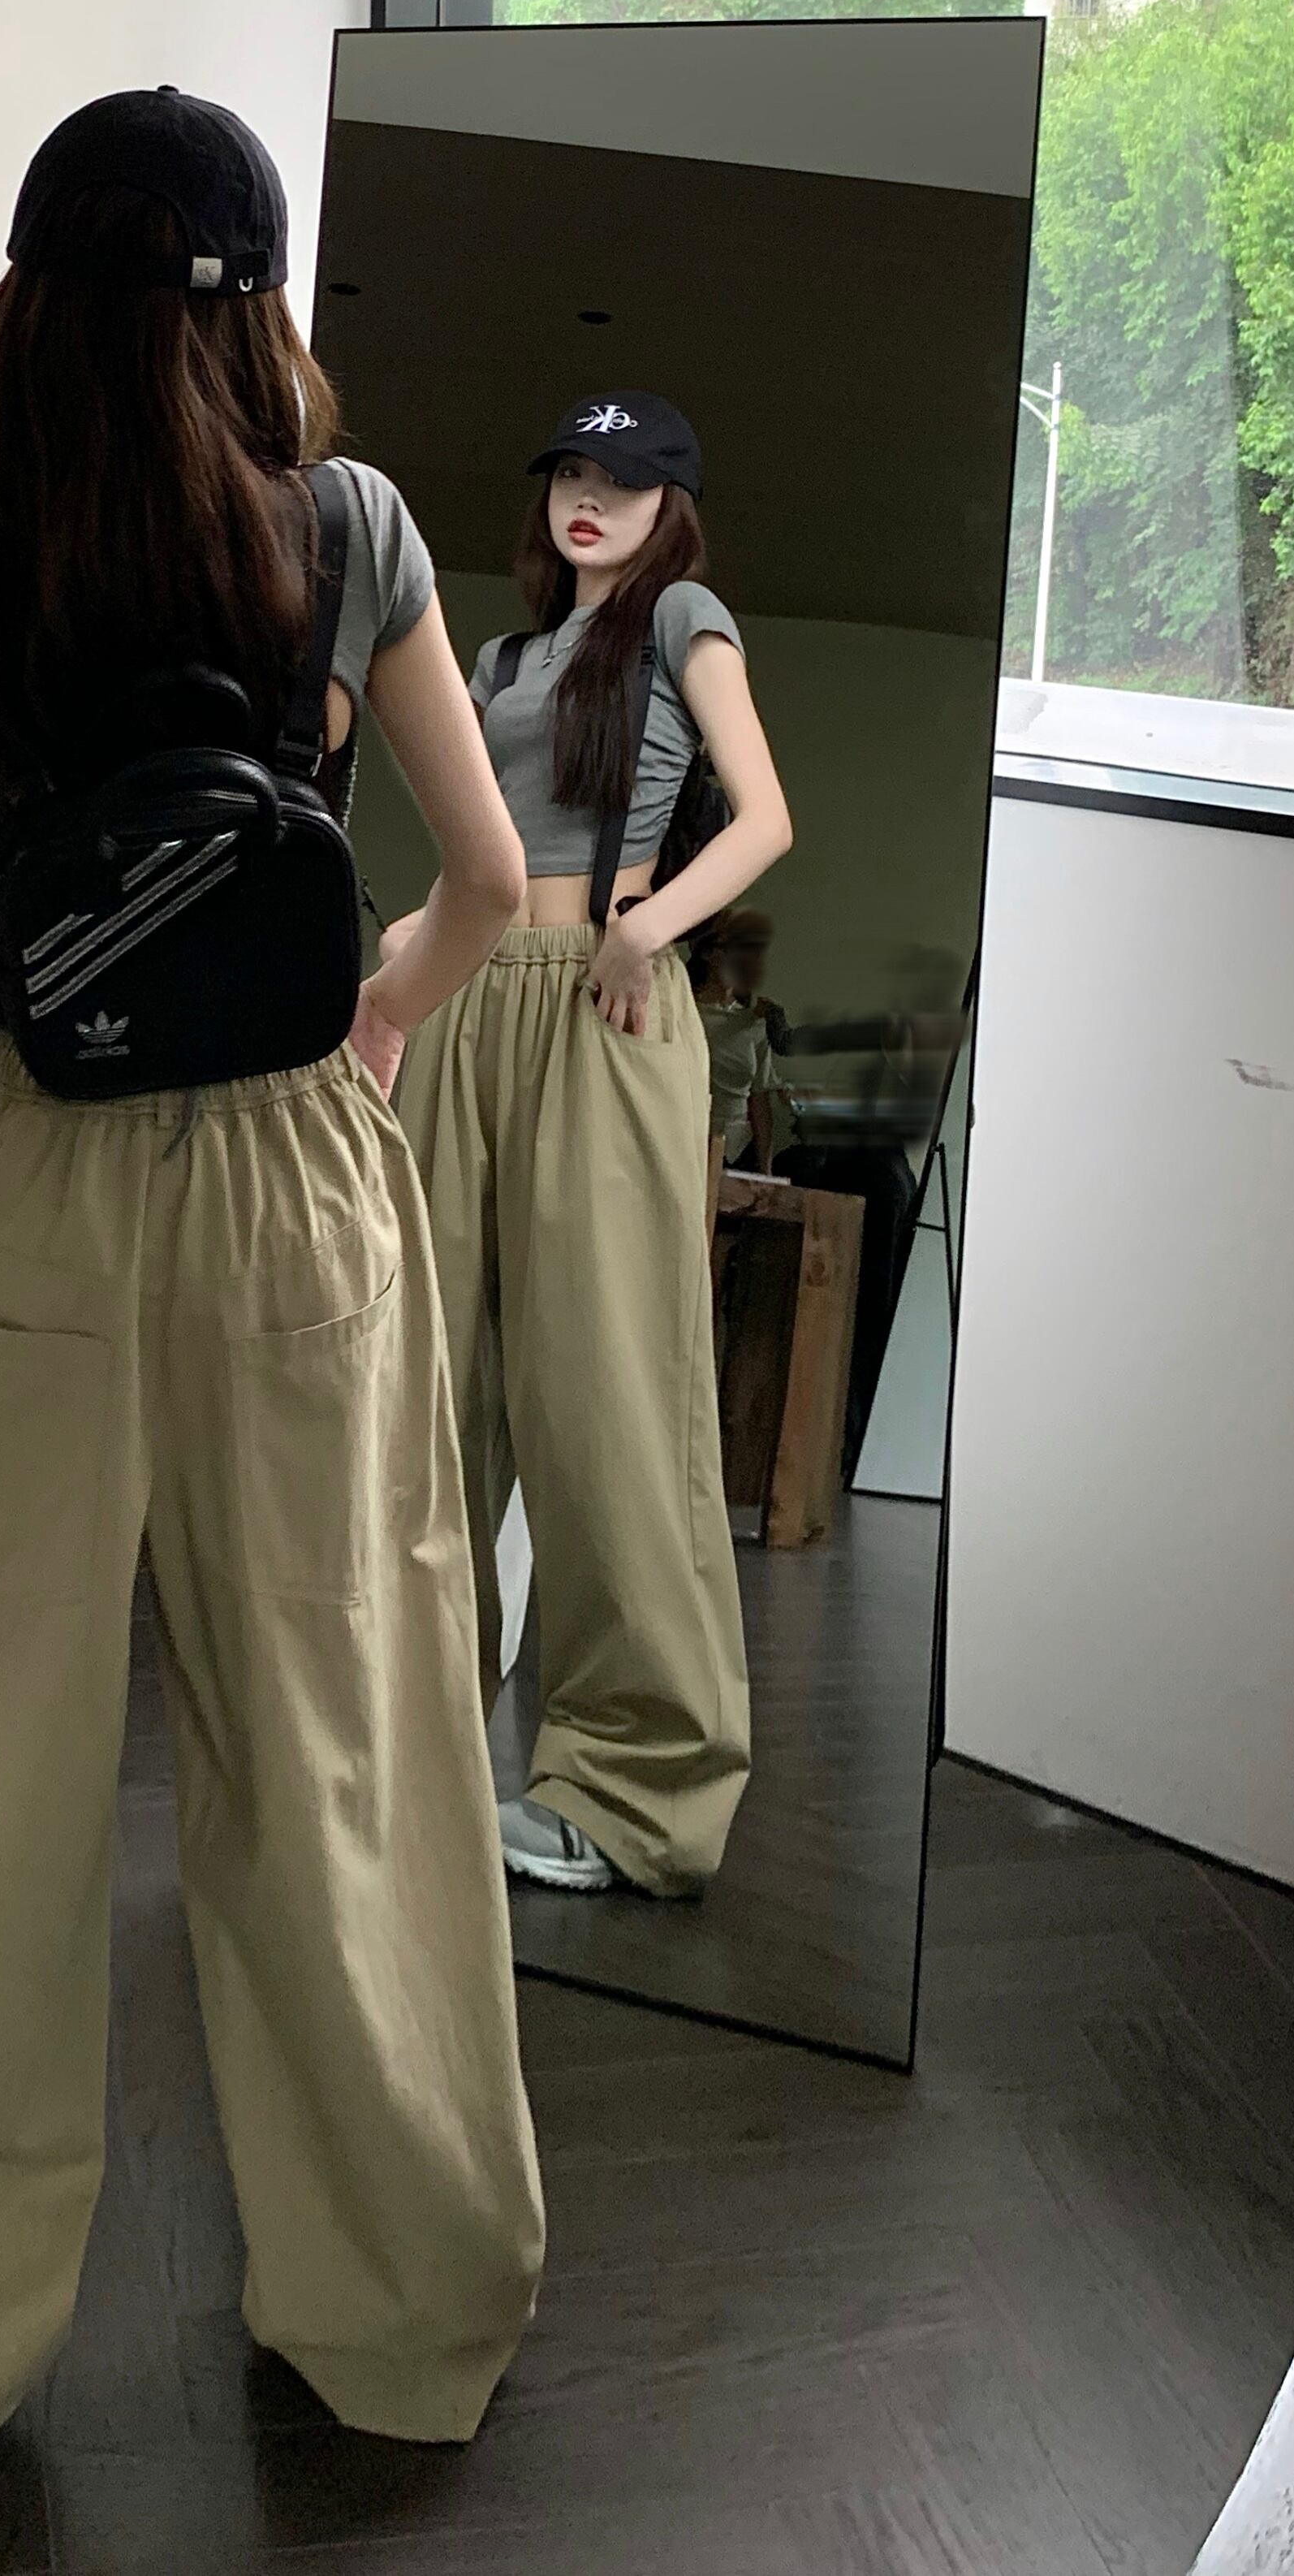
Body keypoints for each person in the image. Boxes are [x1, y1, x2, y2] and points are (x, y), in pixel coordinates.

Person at [0, 87, 545, 2513]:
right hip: (302, 1185)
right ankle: (398, 2320)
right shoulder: (351, 531)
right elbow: (483, 882)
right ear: (252, 305)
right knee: (341, 1757)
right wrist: (368, 1023)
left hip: (34, 1197)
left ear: (27, 309)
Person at [382, 392, 792, 1900]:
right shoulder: (497, 660)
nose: (586, 498)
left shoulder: (680, 619)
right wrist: (404, 956)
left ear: (666, 505)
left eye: (619, 480)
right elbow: (478, 856)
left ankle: (630, 1791)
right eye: (567, 470)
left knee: (608, 1392)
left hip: (601, 1012)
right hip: (467, 1002)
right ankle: (407, 1757)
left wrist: (648, 927)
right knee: (424, 1390)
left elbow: (762, 818)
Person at [689, 906, 787, 1173]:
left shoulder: (752, 1023)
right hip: (690, 1141)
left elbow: (759, 1100)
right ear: (708, 953)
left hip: (737, 1150)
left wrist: (765, 1170)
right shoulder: (685, 1013)